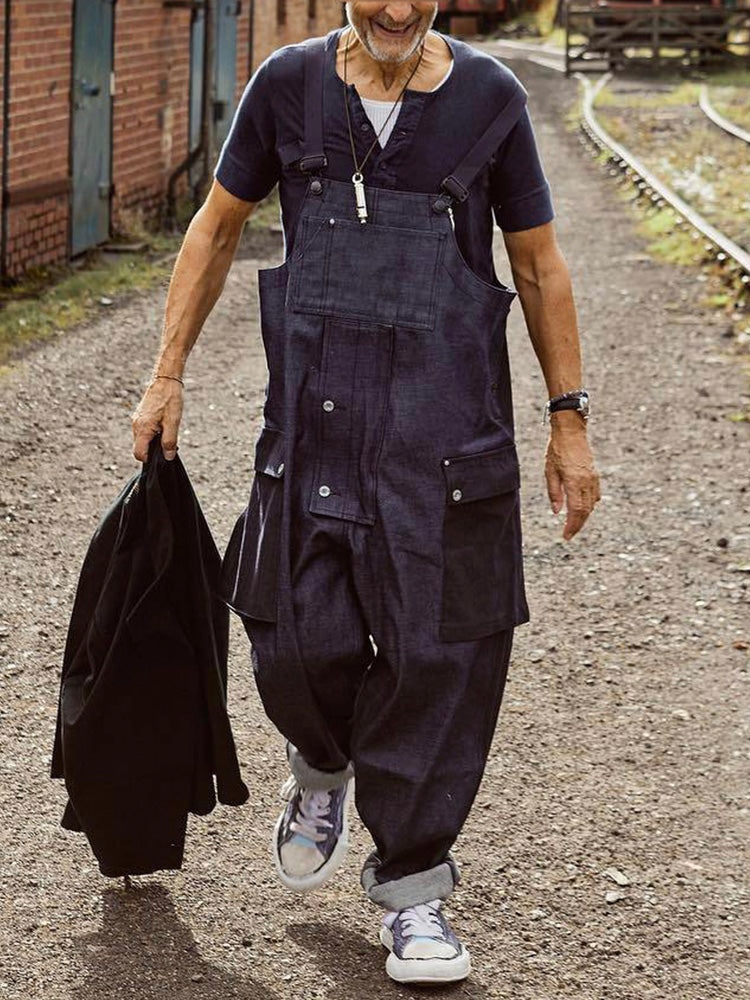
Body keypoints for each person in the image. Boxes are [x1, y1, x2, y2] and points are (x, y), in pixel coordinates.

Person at [131, 1, 600, 986]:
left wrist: (569, 419)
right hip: (315, 427)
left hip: (445, 439)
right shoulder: (288, 85)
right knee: (292, 639)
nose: (396, 8)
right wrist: (166, 374)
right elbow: (216, 228)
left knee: (442, 657)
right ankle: (322, 762)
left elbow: (537, 260)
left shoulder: (490, 98)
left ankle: (413, 887)